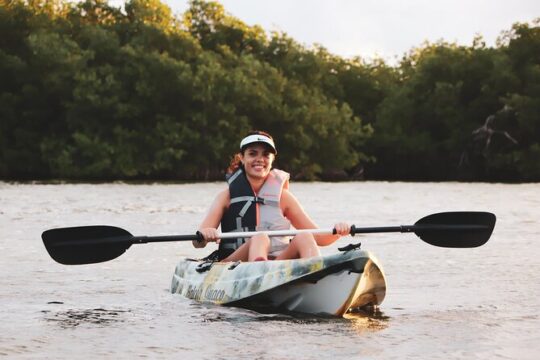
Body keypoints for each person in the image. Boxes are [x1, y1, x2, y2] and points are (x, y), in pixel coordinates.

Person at [193, 130, 351, 262]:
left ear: (272, 160)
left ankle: (316, 276)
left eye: (266, 155)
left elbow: (320, 238)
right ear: (242, 158)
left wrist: (338, 231)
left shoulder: (284, 198)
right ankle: (259, 276)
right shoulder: (226, 197)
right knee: (260, 238)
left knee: (304, 236)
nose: (259, 159)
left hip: (276, 265)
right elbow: (196, 243)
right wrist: (206, 234)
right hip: (234, 266)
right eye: (252, 153)